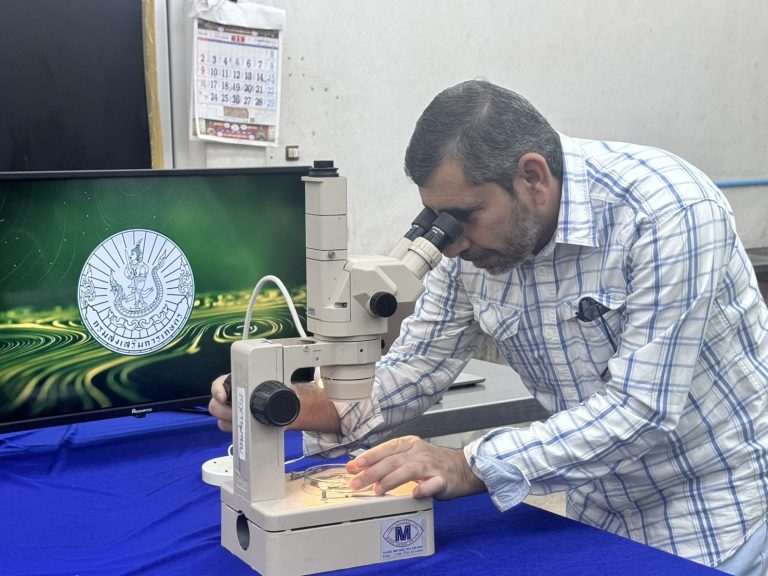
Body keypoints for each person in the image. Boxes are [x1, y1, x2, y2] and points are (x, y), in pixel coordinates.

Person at [209, 80, 768, 574]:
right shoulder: (470, 250)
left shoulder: (668, 212)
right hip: (592, 506)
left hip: (708, 509)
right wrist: (297, 405)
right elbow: (415, 369)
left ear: (532, 177)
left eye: (465, 216)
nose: (451, 244)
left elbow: (642, 410)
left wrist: (468, 463)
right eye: (439, 220)